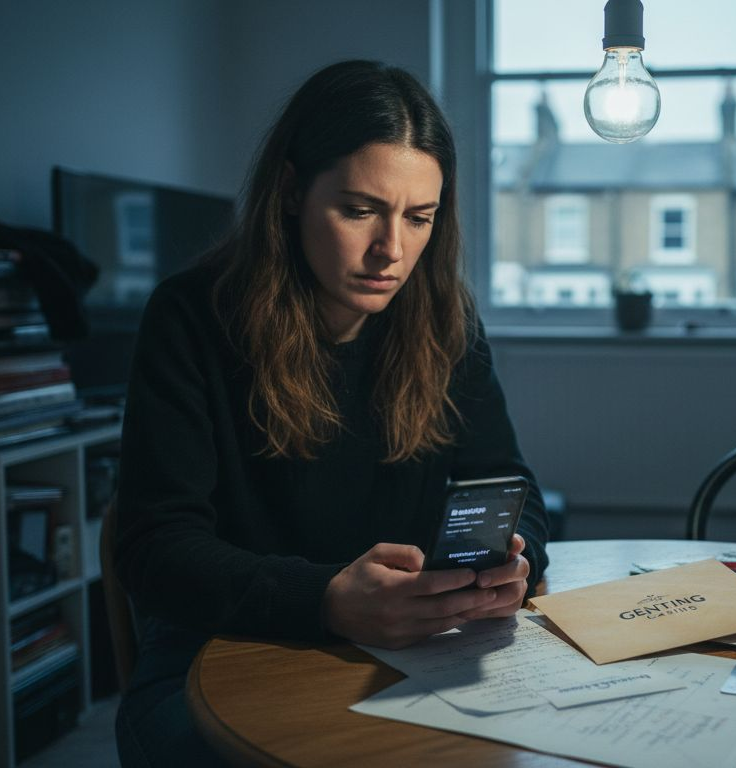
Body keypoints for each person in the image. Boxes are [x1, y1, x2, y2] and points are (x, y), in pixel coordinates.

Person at [112, 59, 549, 766]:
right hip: (218, 646)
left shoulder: (446, 323)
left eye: (419, 218)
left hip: (407, 648)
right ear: (291, 191)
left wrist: (513, 562)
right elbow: (153, 548)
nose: (392, 251)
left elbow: (511, 487)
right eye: (359, 209)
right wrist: (326, 598)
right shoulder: (191, 317)